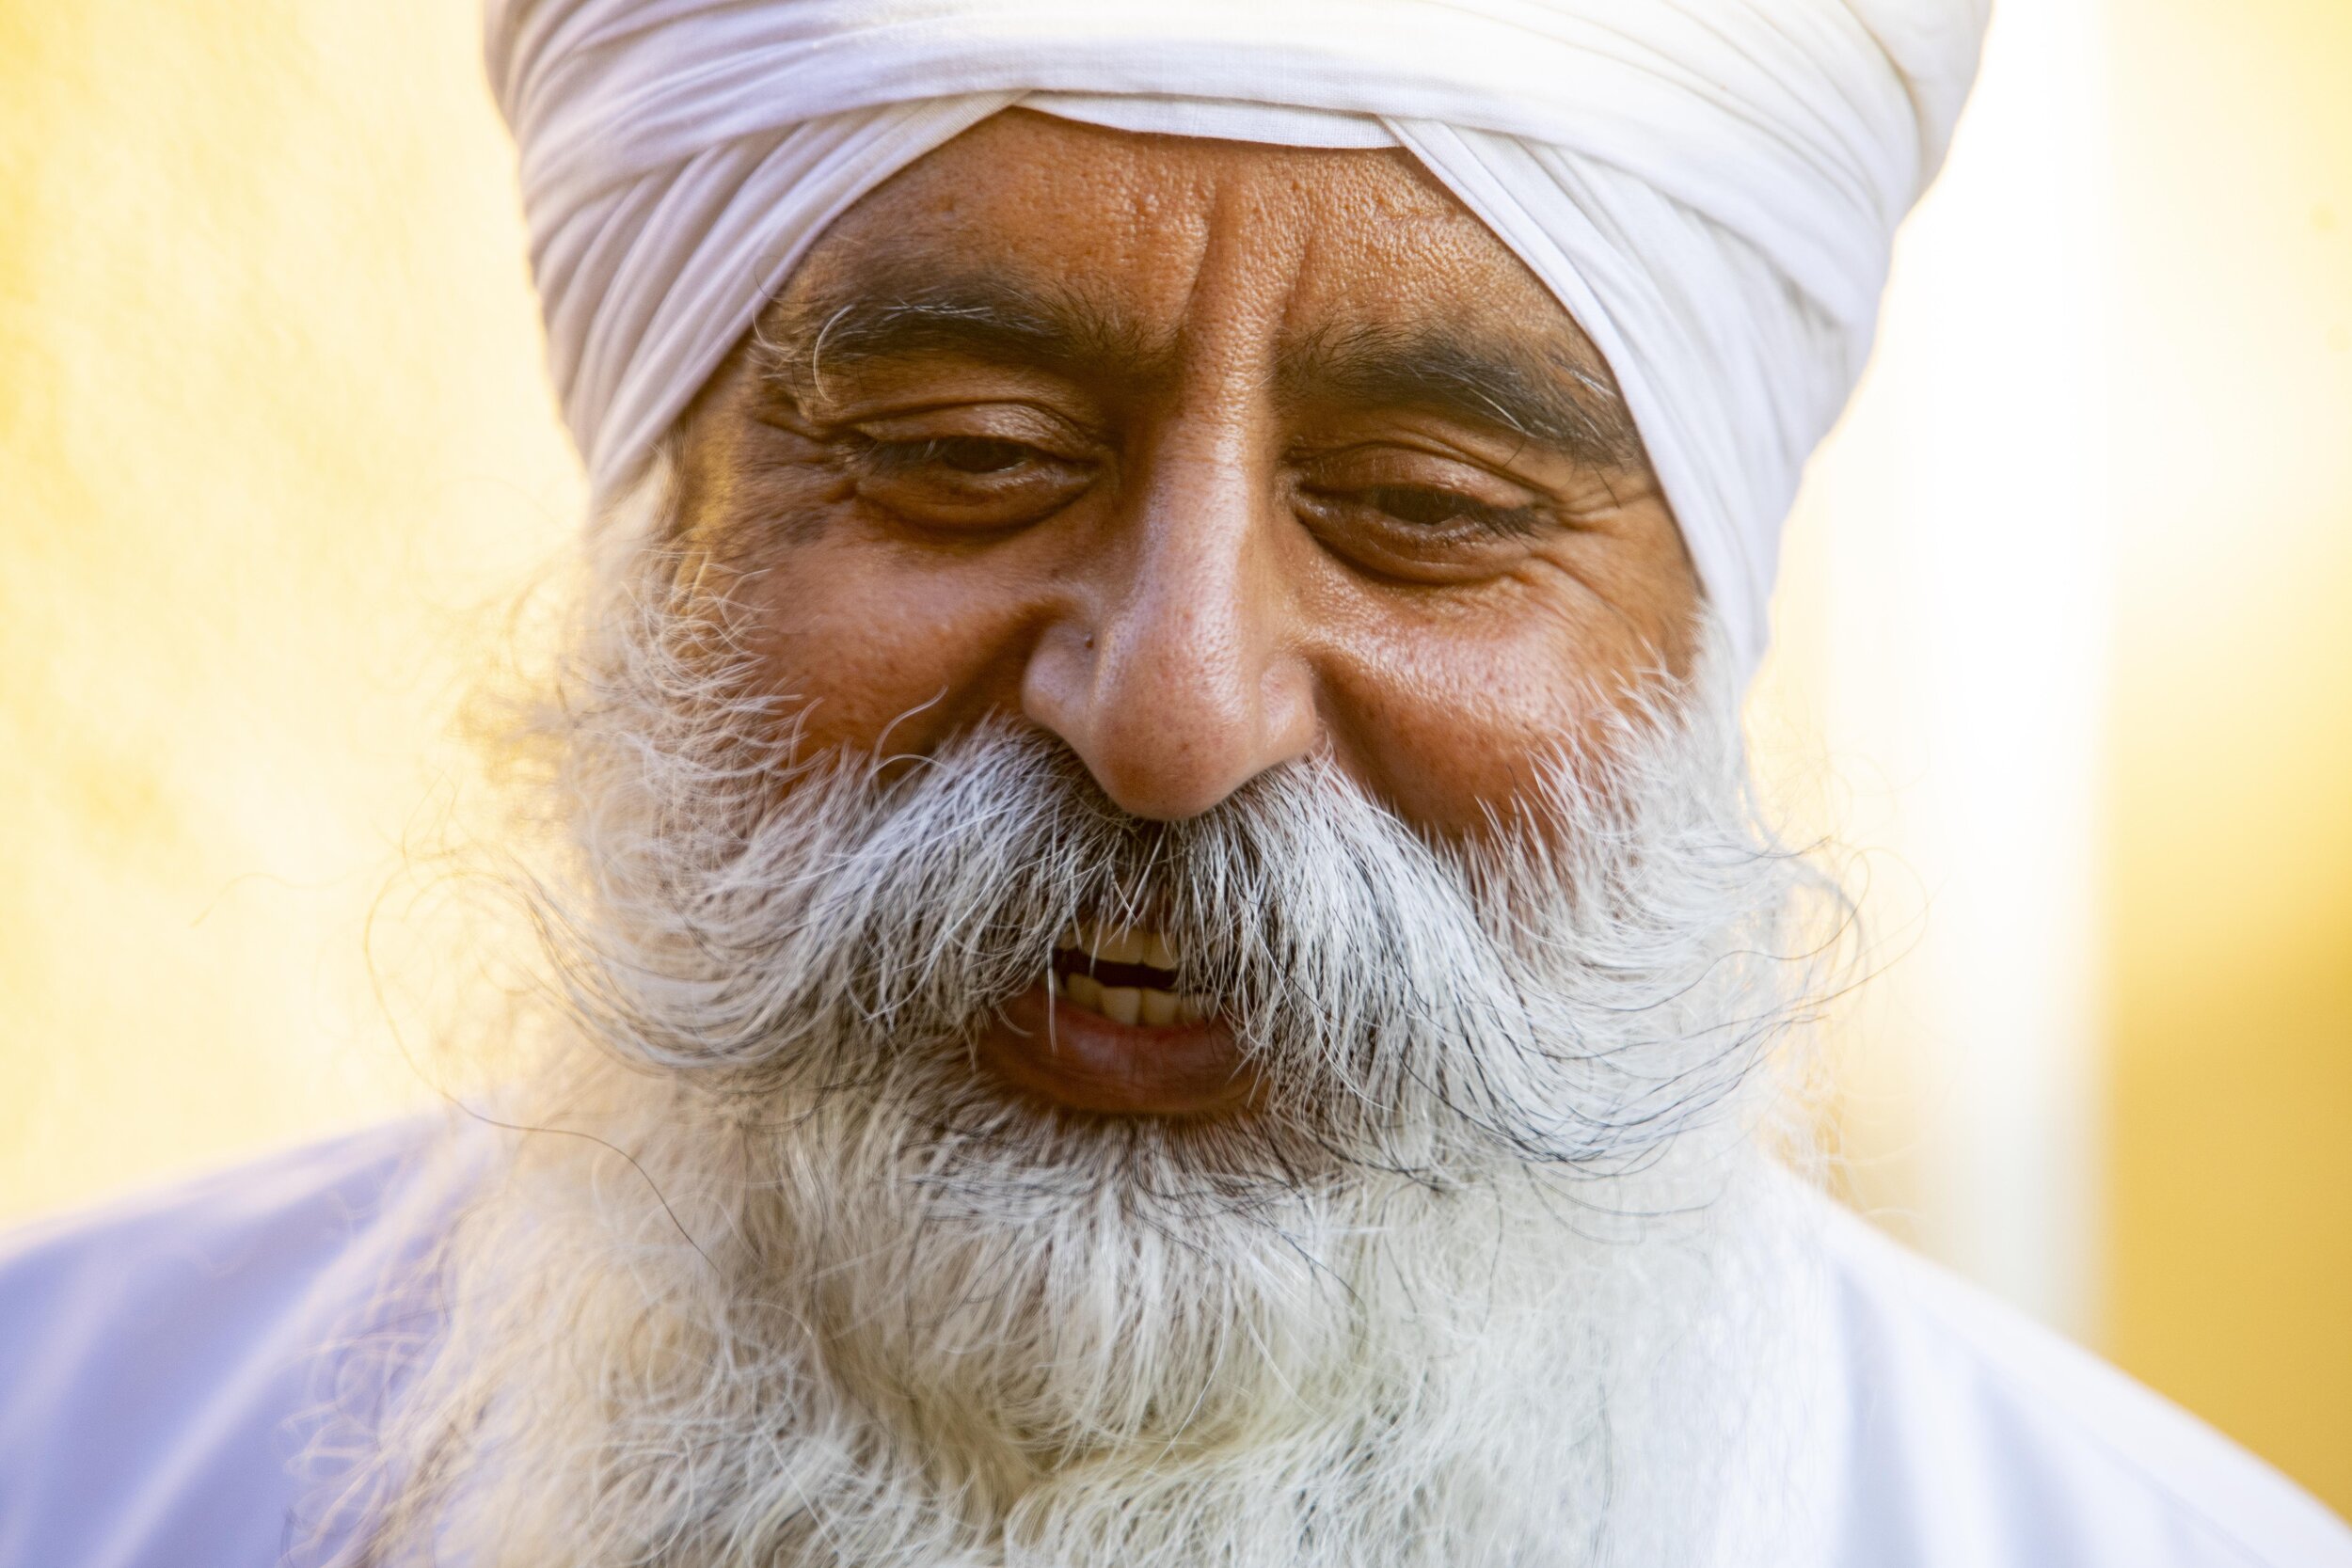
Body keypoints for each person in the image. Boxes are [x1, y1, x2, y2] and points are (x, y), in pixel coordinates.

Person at [2, 3, 2347, 1565]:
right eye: (963, 459)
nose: (1176, 707)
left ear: (1698, 635)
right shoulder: (70, 1459)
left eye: (1427, 505)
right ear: (660, 538)